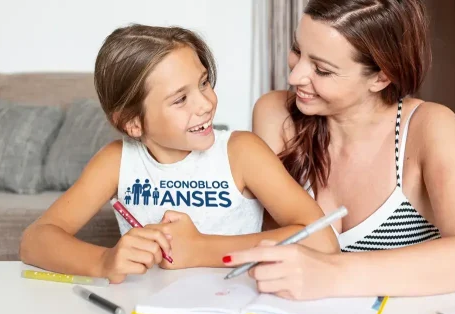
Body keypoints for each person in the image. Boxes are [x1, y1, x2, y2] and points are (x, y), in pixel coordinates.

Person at [223, 0, 455, 300]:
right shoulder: (276, 114)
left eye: (322, 70)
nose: (295, 77)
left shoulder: (428, 127)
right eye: (297, 50)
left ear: (381, 77)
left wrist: (332, 274)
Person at [19, 24, 338, 284]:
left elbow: (322, 240)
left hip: (233, 302)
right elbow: (35, 240)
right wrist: (104, 261)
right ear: (132, 122)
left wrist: (201, 250)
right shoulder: (116, 162)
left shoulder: (241, 153)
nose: (205, 103)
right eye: (180, 99)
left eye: (203, 83)